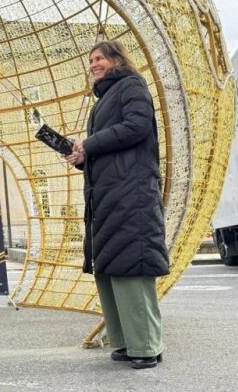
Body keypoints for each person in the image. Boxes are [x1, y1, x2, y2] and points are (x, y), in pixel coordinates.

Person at [65, 40, 169, 370]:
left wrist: (89, 143)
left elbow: (137, 127)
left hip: (131, 195)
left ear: (116, 60)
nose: (93, 64)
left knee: (131, 268)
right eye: (90, 60)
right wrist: (82, 156)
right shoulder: (104, 100)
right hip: (108, 196)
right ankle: (126, 342)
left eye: (99, 58)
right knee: (109, 269)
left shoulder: (131, 85)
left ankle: (147, 345)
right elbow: (111, 148)